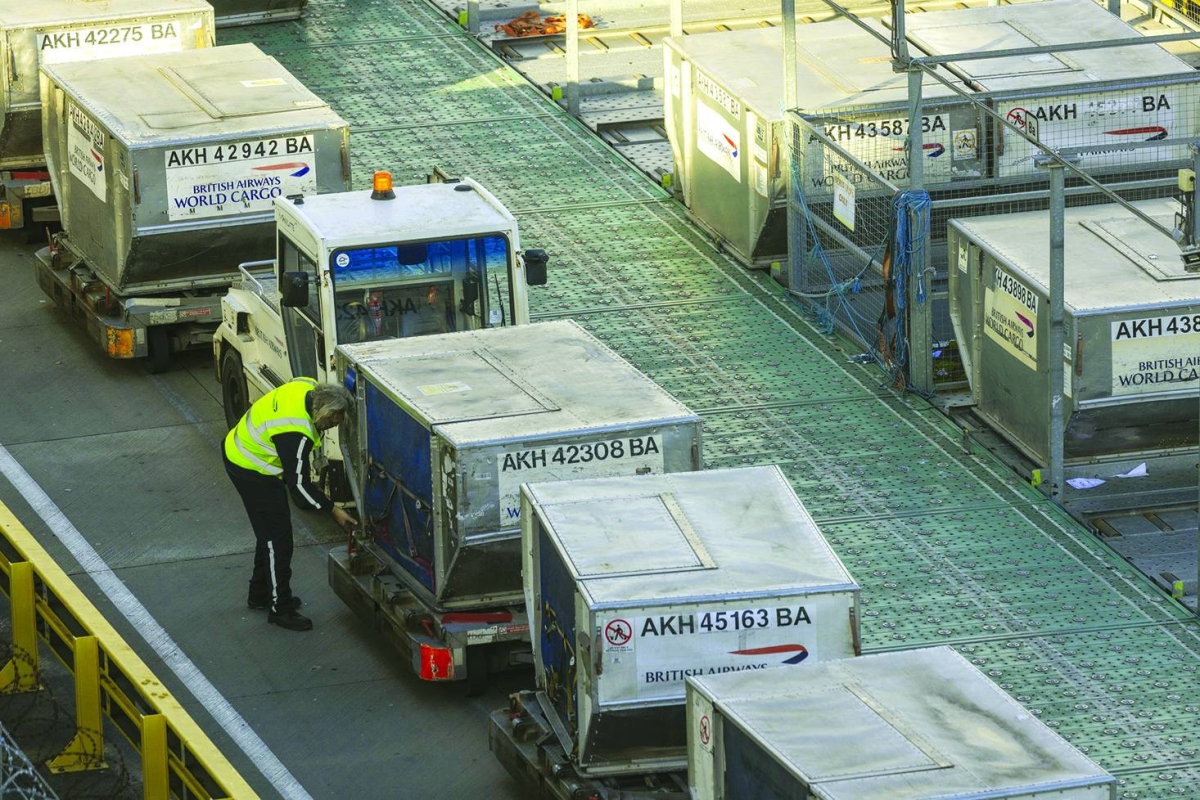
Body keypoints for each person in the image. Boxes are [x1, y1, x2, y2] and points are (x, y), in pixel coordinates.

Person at [223, 378, 358, 631]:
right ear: (323, 411)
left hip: (243, 451)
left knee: (270, 531)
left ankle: (260, 593)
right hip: (250, 468)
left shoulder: (307, 386)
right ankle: (280, 608)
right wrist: (333, 510)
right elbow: (299, 488)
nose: (331, 427)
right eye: (332, 421)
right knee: (278, 540)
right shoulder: (296, 432)